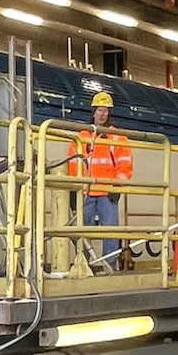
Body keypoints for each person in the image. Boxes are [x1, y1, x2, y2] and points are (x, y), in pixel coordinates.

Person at [70, 91, 134, 267]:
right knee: (81, 231)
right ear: (93, 111)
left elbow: (125, 165)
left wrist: (117, 186)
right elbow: (74, 164)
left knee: (110, 231)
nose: (102, 113)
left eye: (106, 110)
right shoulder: (82, 136)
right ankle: (81, 264)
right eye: (99, 110)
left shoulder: (118, 137)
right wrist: (74, 188)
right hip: (86, 191)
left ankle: (109, 266)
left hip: (107, 193)